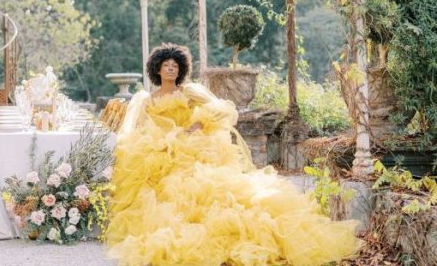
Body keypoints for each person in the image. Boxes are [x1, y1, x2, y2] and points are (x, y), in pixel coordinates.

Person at [106, 43, 361, 266]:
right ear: (157, 69)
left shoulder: (189, 92)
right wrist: (161, 140)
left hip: (193, 145)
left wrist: (194, 127)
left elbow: (217, 110)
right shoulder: (147, 99)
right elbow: (139, 128)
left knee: (206, 187)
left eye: (175, 64)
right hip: (161, 148)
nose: (170, 68)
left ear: (181, 68)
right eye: (166, 65)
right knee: (163, 190)